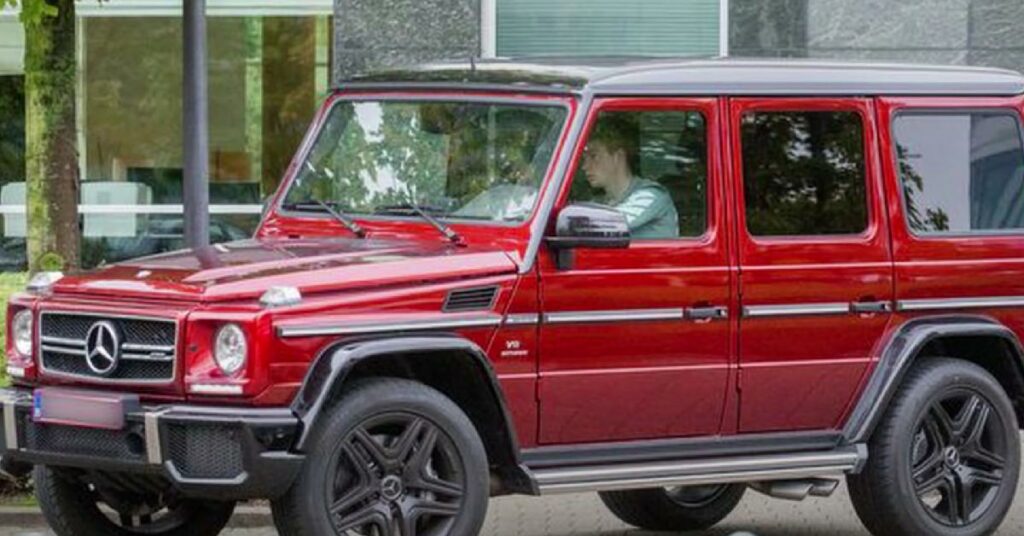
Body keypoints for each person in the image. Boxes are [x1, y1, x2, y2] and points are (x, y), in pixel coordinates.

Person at [580, 115, 679, 239]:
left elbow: (604, 224)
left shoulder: (652, 196)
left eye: (594, 156)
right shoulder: (599, 202)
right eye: (585, 158)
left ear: (618, 156)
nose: (585, 166)